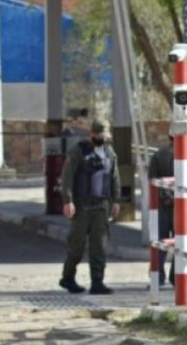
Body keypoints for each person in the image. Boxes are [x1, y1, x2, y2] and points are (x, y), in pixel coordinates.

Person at [59, 119, 120, 295]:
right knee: (76, 245)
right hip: (81, 205)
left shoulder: (109, 152)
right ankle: (68, 278)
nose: (102, 139)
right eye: (99, 136)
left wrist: (116, 201)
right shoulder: (78, 151)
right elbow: (67, 177)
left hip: (101, 205)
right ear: (91, 134)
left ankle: (97, 282)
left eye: (104, 136)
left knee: (99, 245)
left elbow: (114, 177)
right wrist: (68, 201)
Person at [148, 130, 187, 287]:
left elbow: (152, 180)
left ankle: (158, 277)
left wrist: (165, 196)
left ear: (169, 136)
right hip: (184, 208)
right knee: (182, 242)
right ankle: (176, 277)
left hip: (162, 206)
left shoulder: (158, 156)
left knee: (161, 242)